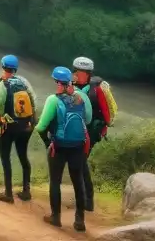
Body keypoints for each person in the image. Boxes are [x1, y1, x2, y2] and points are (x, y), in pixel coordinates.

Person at [35, 66, 92, 232]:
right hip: (78, 147)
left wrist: (48, 138)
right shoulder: (81, 97)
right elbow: (87, 119)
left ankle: (56, 217)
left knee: (55, 181)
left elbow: (40, 127)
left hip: (59, 147)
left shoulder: (53, 100)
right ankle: (80, 220)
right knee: (78, 180)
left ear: (57, 82)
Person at [73, 56, 116, 213]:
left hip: (92, 131)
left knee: (81, 162)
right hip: (77, 129)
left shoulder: (97, 89)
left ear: (88, 73)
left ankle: (88, 200)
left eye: (81, 72)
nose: (77, 74)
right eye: (76, 71)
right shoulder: (73, 84)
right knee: (79, 162)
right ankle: (84, 197)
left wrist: (102, 129)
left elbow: (106, 114)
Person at [0, 54, 37, 203]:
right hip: (26, 127)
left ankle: (8, 193)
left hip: (9, 127)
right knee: (23, 156)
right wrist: (31, 122)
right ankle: (26, 191)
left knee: (6, 158)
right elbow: (33, 102)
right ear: (15, 69)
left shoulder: (2, 86)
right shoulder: (24, 82)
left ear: (3, 67)